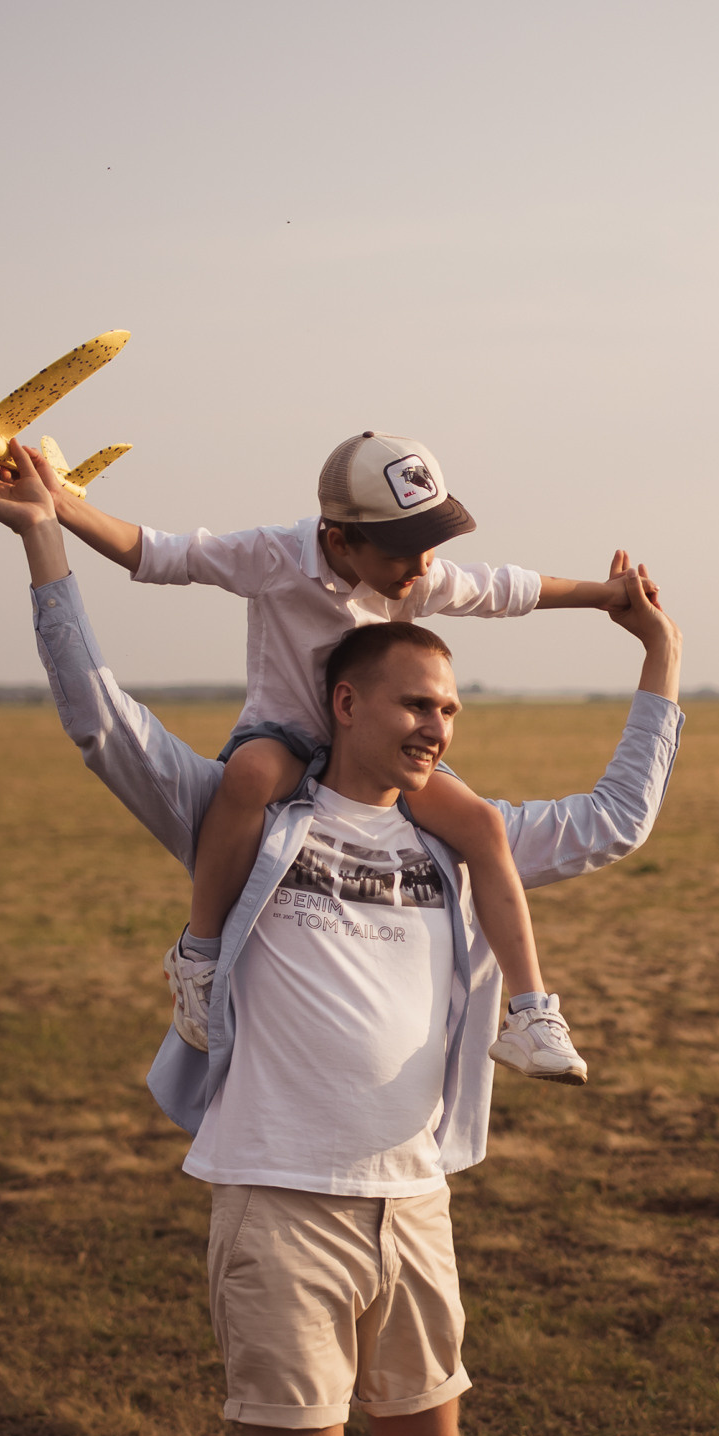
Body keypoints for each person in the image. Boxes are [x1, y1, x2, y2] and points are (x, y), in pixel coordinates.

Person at [0, 439, 684, 1436]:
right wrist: (49, 543)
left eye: (453, 709)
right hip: (281, 1205)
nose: (438, 730)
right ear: (341, 698)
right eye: (417, 705)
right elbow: (100, 719)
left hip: (412, 1205)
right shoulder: (254, 811)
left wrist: (659, 655)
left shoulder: (455, 839)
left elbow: (611, 823)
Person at [41, 427, 637, 1084]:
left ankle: (530, 1014)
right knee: (250, 775)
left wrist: (603, 595)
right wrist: (62, 509)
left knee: (483, 824)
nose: (420, 568)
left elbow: (506, 590)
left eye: (430, 545)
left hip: (378, 752)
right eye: (400, 553)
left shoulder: (419, 574)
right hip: (286, 740)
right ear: (337, 540)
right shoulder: (273, 556)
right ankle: (199, 957)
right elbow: (160, 555)